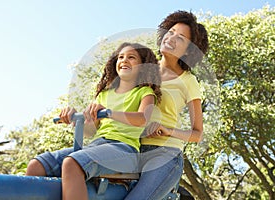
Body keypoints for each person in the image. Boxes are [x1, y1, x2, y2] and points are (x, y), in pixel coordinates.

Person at [25, 42, 162, 200]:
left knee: (71, 164)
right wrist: (75, 119)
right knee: (36, 165)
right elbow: (90, 131)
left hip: (125, 149)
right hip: (96, 145)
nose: (124, 60)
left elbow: (143, 119)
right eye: (121, 57)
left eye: (131, 57)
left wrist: (109, 113)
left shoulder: (145, 92)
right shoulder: (103, 95)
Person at [124, 10, 209, 200]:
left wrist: (167, 130)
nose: (171, 38)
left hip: (165, 155)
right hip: (132, 149)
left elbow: (197, 134)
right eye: (170, 32)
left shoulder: (188, 81)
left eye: (180, 38)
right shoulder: (142, 69)